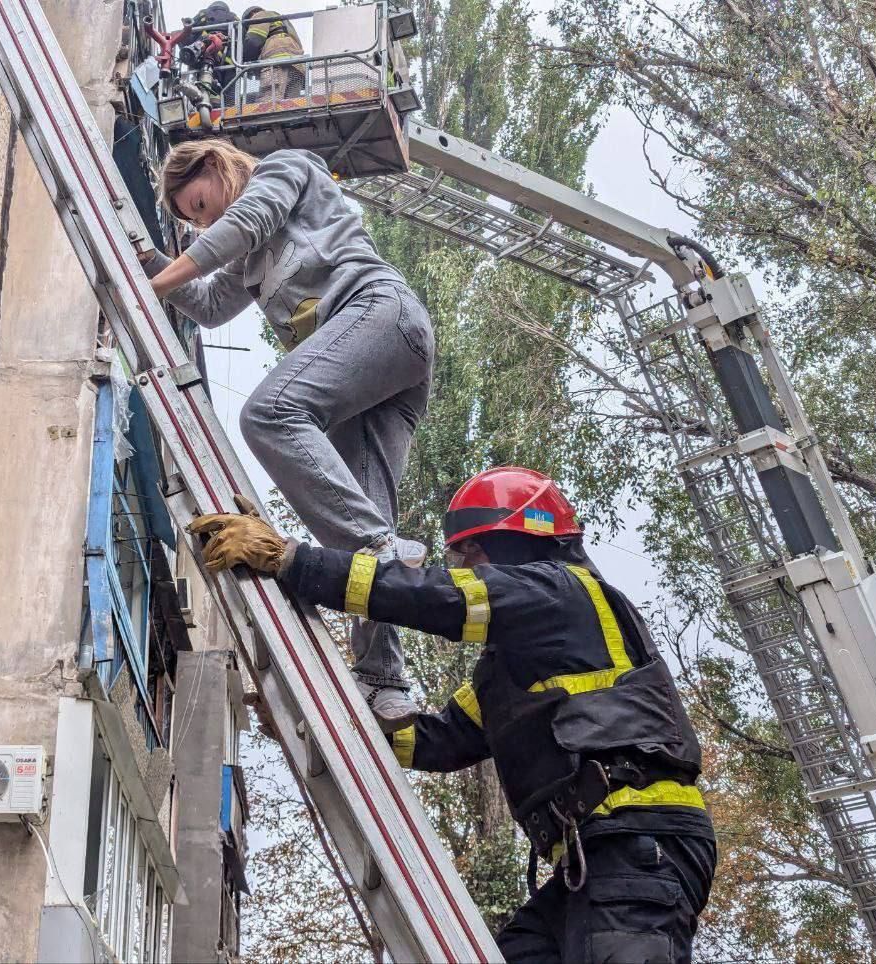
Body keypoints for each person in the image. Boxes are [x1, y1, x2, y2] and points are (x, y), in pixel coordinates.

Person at [189, 466, 716, 963]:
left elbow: (438, 597)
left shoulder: (562, 594)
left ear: (518, 543)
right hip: (601, 854)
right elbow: (438, 741)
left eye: (473, 554)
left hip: (643, 843)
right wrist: (308, 723)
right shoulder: (514, 669)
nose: (465, 568)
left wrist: (292, 559)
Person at [142, 138, 434, 732]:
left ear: (218, 168)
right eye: (194, 220)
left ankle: (381, 554)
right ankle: (385, 682)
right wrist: (145, 263)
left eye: (200, 204)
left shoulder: (285, 170)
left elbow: (245, 221)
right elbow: (205, 304)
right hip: (370, 375)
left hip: (380, 316)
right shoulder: (249, 265)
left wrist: (158, 282)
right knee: (363, 510)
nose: (204, 224)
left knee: (269, 413)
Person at [241, 6, 305, 103]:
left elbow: (253, 40)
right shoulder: (283, 21)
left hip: (275, 64)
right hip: (297, 66)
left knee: (268, 102)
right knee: (292, 105)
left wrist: (246, 64)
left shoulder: (260, 15)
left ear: (251, 15)